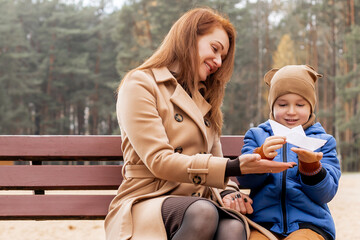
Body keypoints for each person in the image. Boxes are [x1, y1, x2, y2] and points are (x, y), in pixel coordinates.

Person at [104, 7, 295, 240]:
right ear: (188, 37)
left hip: (200, 201)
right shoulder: (141, 83)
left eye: (222, 57)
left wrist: (229, 193)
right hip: (146, 201)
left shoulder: (205, 100)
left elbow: (214, 159)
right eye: (215, 49)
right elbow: (159, 161)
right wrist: (233, 167)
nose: (217, 62)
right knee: (203, 213)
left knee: (232, 227)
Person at [237, 65, 341, 240]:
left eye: (300, 104)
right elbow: (245, 179)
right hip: (262, 224)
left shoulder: (323, 141)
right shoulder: (256, 136)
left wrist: (311, 168)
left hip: (311, 224)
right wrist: (261, 157)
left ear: (311, 107)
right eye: (282, 104)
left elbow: (326, 193)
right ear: (272, 106)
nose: (291, 111)